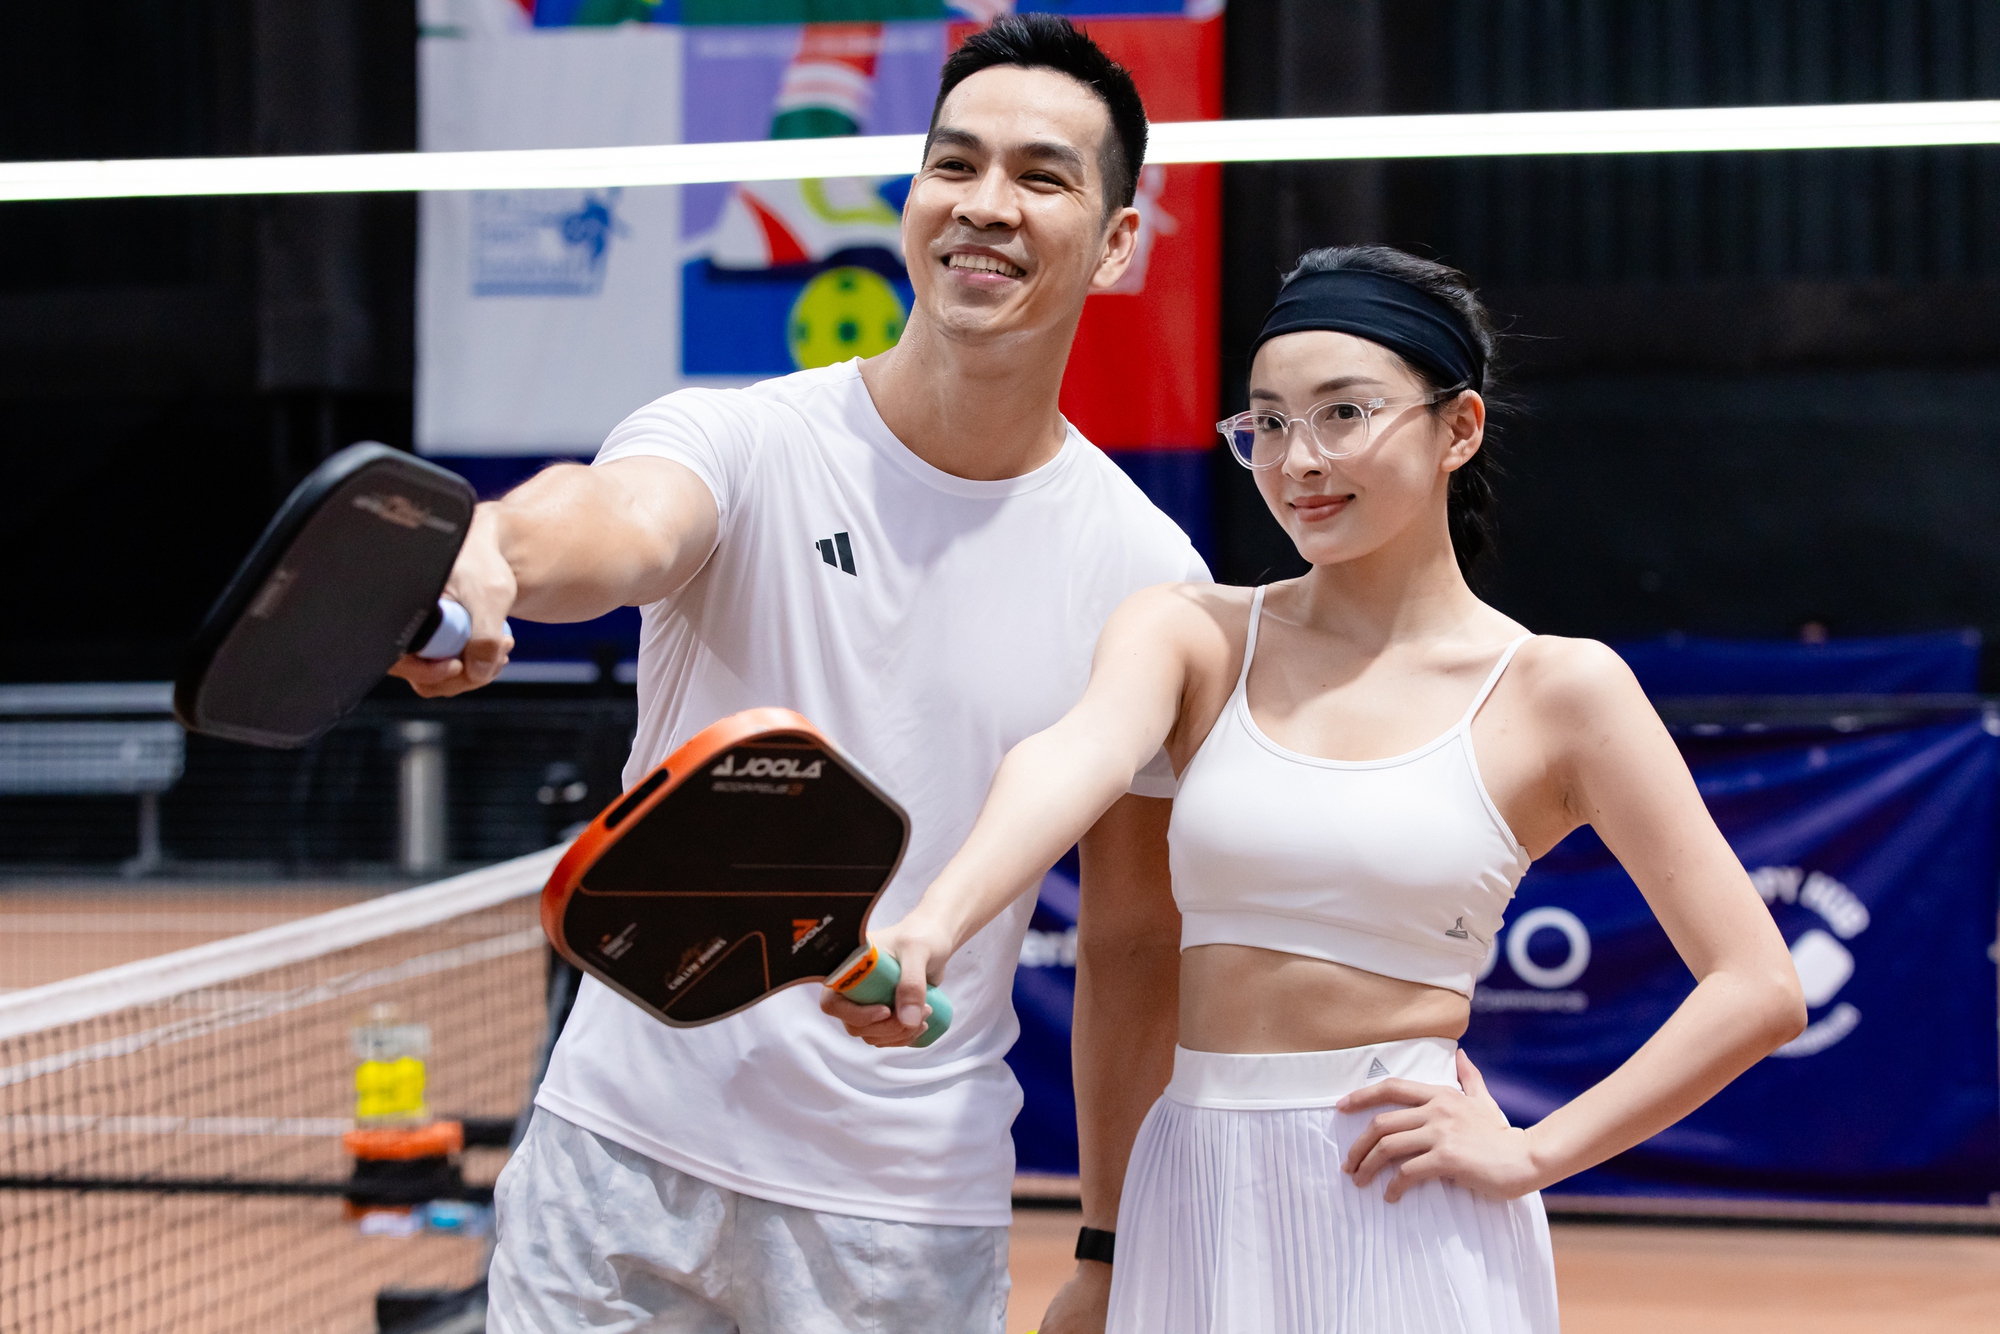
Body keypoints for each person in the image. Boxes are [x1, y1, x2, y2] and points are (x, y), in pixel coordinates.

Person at [392, 16, 1203, 1333]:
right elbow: (614, 520)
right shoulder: (743, 439)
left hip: (899, 1217)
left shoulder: (1145, 569)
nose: (984, 205)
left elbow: (1129, 939)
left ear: (1116, 244)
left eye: (1040, 176)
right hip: (624, 1168)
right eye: (954, 164)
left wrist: (1109, 1243)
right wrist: (494, 548)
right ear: (911, 197)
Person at [845, 245, 1810, 1332]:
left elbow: (1757, 985)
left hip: (1400, 1189)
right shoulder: (1193, 630)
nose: (1298, 459)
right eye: (1267, 422)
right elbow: (1072, 756)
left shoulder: (1557, 688)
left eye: (1343, 414)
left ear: (1458, 428)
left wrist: (1535, 1151)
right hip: (1194, 1185)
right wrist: (936, 920)